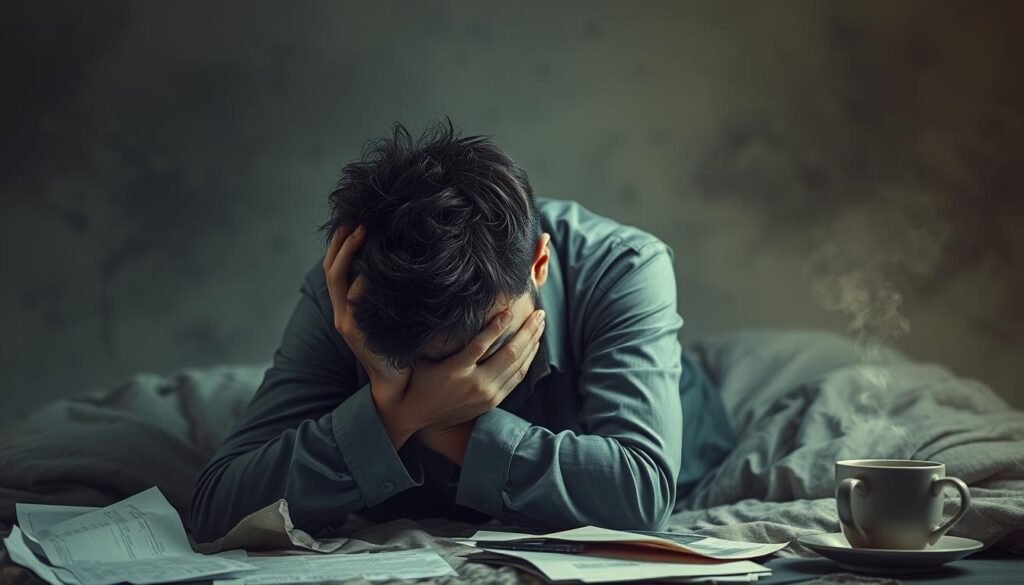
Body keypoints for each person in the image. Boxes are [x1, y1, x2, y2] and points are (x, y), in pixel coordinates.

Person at [189, 118, 736, 543]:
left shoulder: (626, 266)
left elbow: (640, 494)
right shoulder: (354, 286)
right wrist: (395, 414)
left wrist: (429, 418)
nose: (447, 376)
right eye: (416, 361)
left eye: (478, 345)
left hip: (688, 434)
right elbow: (217, 507)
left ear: (538, 265)